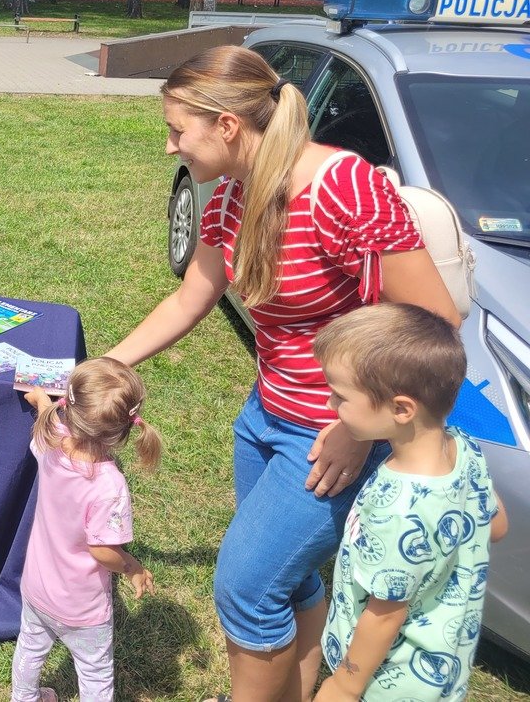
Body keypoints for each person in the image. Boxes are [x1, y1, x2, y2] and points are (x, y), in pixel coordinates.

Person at [104, 45, 460, 702]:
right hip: (265, 417)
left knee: (246, 585)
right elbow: (192, 296)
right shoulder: (234, 198)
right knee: (290, 580)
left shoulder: (344, 188)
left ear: (228, 126)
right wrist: (111, 360)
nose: (169, 147)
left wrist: (357, 430)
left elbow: (433, 321)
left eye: (177, 131)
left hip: (331, 433)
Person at [311, 304, 507, 702]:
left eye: (340, 396)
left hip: (386, 680)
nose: (331, 406)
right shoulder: (461, 448)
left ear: (401, 409)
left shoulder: (399, 509)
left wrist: (345, 685)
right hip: (443, 660)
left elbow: (385, 616)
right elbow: (497, 525)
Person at [11, 357, 161, 702]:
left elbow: (47, 418)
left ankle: (24, 698)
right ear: (123, 431)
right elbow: (103, 550)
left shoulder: (50, 443)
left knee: (30, 648)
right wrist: (132, 567)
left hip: (37, 586)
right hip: (81, 607)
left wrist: (39, 399)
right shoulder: (110, 485)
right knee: (95, 673)